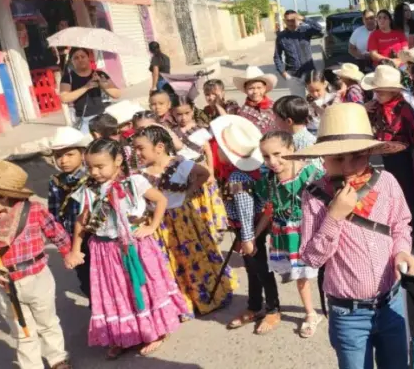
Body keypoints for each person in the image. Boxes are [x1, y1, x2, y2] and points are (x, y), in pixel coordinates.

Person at [293, 103, 414, 369]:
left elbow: (400, 225)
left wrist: (402, 251)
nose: (349, 165)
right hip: (348, 313)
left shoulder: (386, 182)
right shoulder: (314, 196)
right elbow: (312, 257)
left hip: (391, 301)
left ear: (370, 153)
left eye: (357, 156)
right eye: (338, 158)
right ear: (323, 158)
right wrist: (335, 216)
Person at [65, 139, 187, 359]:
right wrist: (75, 249)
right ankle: (121, 335)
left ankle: (156, 331)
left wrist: (152, 226)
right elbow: (81, 221)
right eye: (90, 166)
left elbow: (160, 200)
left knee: (142, 286)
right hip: (104, 249)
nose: (94, 172)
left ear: (118, 160)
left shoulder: (134, 181)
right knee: (115, 292)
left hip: (134, 245)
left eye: (100, 166)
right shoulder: (88, 189)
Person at [132, 126, 236, 318]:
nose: (137, 153)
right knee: (170, 262)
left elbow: (204, 174)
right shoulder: (139, 174)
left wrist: (189, 191)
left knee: (192, 259)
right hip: (159, 224)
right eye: (135, 148)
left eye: (140, 148)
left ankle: (204, 297)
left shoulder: (180, 165)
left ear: (159, 147)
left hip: (184, 220)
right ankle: (181, 302)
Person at [0, 160, 73, 369]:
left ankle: (57, 359)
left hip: (37, 276)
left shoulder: (34, 210)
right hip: (5, 284)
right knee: (22, 330)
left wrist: (68, 254)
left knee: (48, 322)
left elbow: (56, 232)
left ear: (3, 196)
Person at [210, 115, 280, 334]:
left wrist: (247, 238)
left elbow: (245, 209)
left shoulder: (238, 177)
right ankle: (254, 305)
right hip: (250, 226)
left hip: (250, 226)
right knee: (252, 268)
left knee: (260, 268)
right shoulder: (248, 171)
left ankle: (272, 308)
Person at [253, 132, 323, 338]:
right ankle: (311, 314)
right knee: (301, 275)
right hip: (285, 234)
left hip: (310, 230)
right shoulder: (269, 178)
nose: (272, 161)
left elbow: (328, 202)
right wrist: (255, 235)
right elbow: (270, 208)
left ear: (291, 149)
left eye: (277, 154)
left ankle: (339, 306)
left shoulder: (310, 173)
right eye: (266, 157)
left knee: (328, 271)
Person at [362, 66, 414, 245]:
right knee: (392, 193)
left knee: (407, 193)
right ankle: (399, 230)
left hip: (403, 156)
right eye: (376, 90)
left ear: (393, 90)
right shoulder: (377, 107)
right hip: (386, 156)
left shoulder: (403, 108)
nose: (377, 93)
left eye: (382, 90)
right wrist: (364, 111)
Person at [46, 127, 91, 299]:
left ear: (83, 154)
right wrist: (61, 240)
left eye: (69, 154)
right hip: (71, 237)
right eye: (58, 156)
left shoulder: (93, 176)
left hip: (94, 235)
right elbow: (54, 212)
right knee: (84, 275)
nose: (63, 160)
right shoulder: (55, 181)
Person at [59, 47, 121, 134]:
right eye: (76, 58)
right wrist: (86, 87)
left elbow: (117, 94)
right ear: (72, 61)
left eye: (83, 56)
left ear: (88, 58)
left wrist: (102, 84)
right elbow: (64, 98)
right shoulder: (68, 77)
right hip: (84, 120)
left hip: (102, 116)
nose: (80, 59)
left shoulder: (99, 74)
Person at [273, 95, 320, 168]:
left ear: (289, 121)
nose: (274, 120)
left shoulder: (306, 142)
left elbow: (314, 170)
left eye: (276, 117)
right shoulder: (289, 139)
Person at [274, 10, 320, 85]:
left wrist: (303, 18)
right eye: (288, 20)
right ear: (284, 21)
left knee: (314, 95)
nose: (290, 23)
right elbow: (277, 57)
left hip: (309, 72)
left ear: (298, 19)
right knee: (297, 96)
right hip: (293, 74)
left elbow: (319, 28)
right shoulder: (281, 37)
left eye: (293, 20)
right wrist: (283, 73)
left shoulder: (305, 31)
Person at [233, 66, 280, 134]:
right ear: (245, 90)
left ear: (265, 88)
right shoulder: (242, 112)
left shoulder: (275, 107)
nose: (255, 91)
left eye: (259, 87)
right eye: (251, 88)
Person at [304, 70, 335, 136]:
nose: (315, 94)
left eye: (318, 90)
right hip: (311, 132)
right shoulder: (308, 101)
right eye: (311, 91)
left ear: (324, 84)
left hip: (328, 131)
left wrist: (317, 108)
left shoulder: (333, 98)